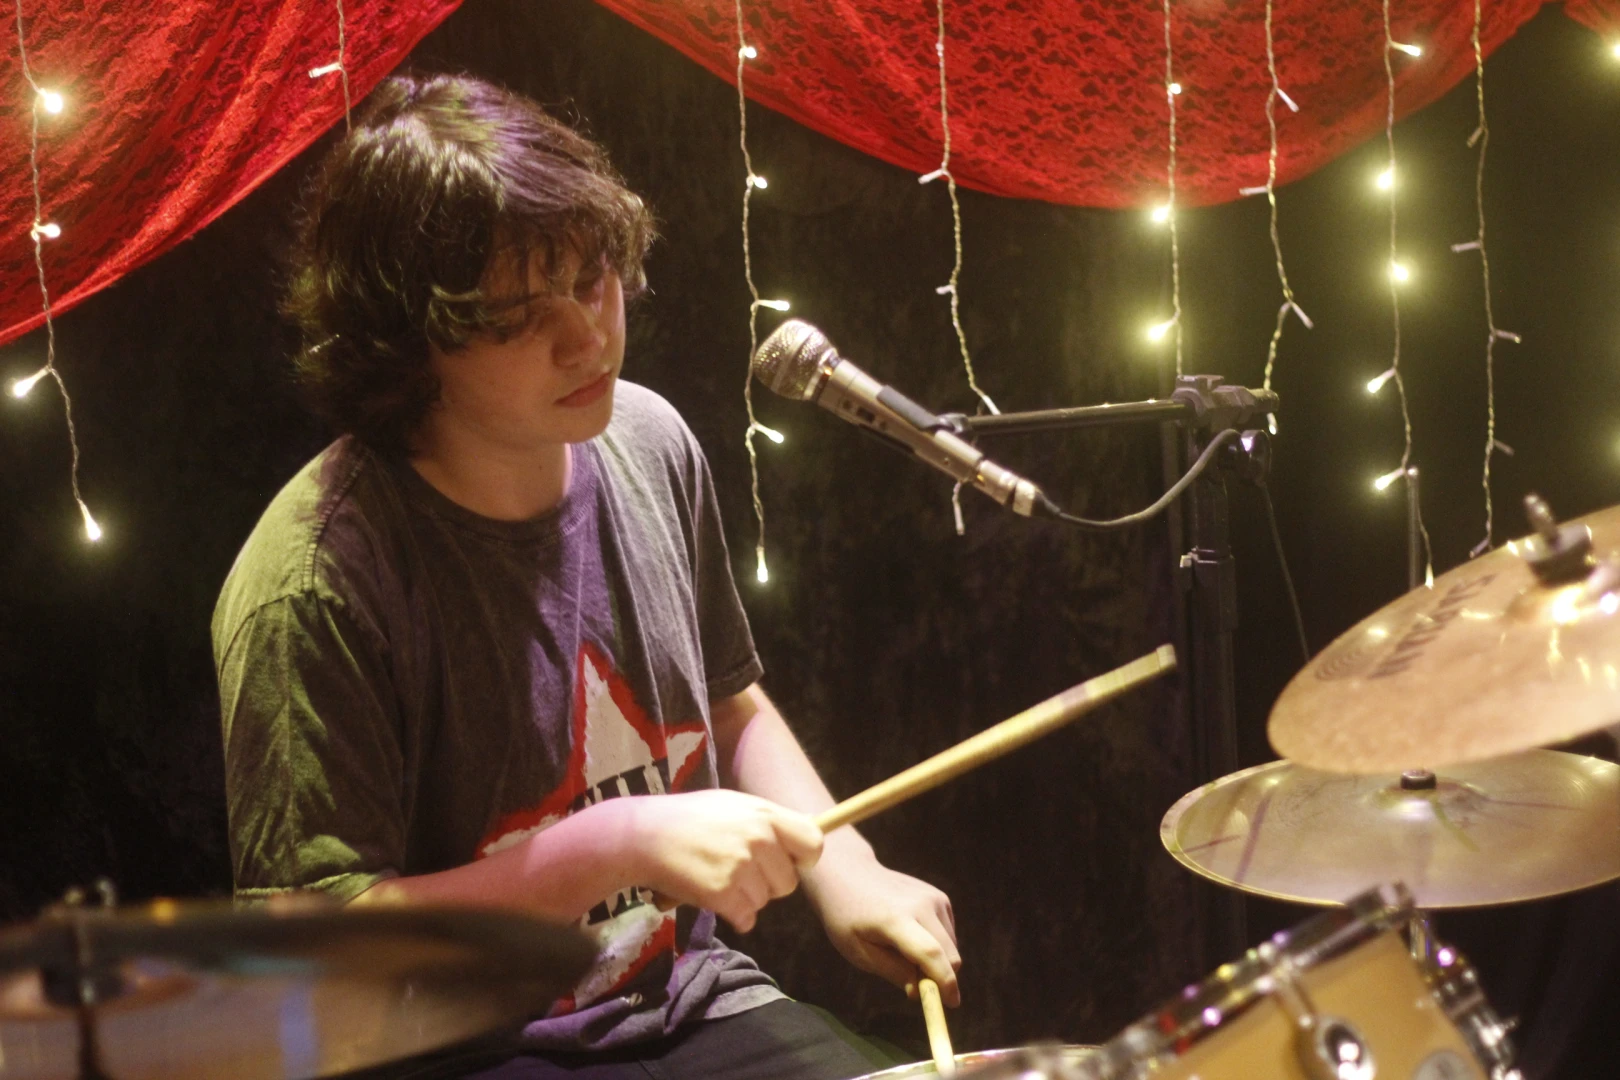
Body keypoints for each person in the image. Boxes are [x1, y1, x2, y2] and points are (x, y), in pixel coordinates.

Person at [212, 73, 960, 1079]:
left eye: (594, 276)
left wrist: (845, 865)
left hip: (683, 999)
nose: (586, 336)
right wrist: (612, 844)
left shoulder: (650, 442)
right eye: (515, 316)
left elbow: (728, 706)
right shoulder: (312, 583)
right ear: (405, 342)